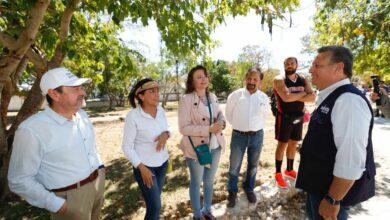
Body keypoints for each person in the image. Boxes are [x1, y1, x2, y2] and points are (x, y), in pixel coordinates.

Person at [8, 67, 105, 219]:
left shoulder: (81, 115)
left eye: (81, 87)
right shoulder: (31, 130)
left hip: (97, 185)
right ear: (54, 94)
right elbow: (19, 180)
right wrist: (57, 205)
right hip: (70, 198)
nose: (83, 93)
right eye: (75, 88)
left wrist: (100, 169)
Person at [296, 46, 376, 220]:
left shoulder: (348, 101)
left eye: (317, 65)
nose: (310, 70)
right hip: (318, 188)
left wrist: (333, 200)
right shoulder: (332, 96)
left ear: (338, 68)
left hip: (329, 195)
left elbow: (351, 158)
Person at [178, 65, 226, 220]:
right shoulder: (186, 99)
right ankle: (197, 214)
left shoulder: (212, 96)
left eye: (205, 75)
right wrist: (208, 129)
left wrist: (222, 123)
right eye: (199, 77)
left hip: (215, 146)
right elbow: (183, 128)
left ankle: (207, 210)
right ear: (192, 82)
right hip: (197, 148)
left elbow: (220, 114)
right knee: (196, 182)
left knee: (209, 181)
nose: (203, 78)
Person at [122, 78, 170, 220]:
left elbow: (167, 128)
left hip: (162, 164)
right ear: (140, 96)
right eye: (151, 91)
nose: (157, 94)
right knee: (155, 207)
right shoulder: (133, 116)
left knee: (153, 205)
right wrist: (142, 168)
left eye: (157, 91)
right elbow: (126, 147)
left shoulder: (160, 110)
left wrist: (166, 134)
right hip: (145, 168)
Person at [225, 67, 270, 207]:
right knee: (234, 166)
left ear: (260, 82)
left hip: (257, 136)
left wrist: (252, 128)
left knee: (253, 165)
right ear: (245, 79)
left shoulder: (263, 97)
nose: (251, 81)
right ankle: (232, 192)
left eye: (255, 79)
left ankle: (249, 188)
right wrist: (241, 127)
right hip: (239, 136)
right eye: (249, 78)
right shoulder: (236, 95)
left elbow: (266, 115)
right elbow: (228, 114)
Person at [273, 57, 316, 188]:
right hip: (284, 116)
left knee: (293, 143)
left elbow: (313, 97)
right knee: (282, 144)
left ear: (297, 64)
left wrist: (294, 95)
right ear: (284, 66)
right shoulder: (279, 79)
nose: (289, 65)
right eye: (287, 63)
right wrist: (303, 93)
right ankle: (278, 173)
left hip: (299, 116)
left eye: (292, 63)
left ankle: (289, 169)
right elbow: (286, 98)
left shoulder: (303, 79)